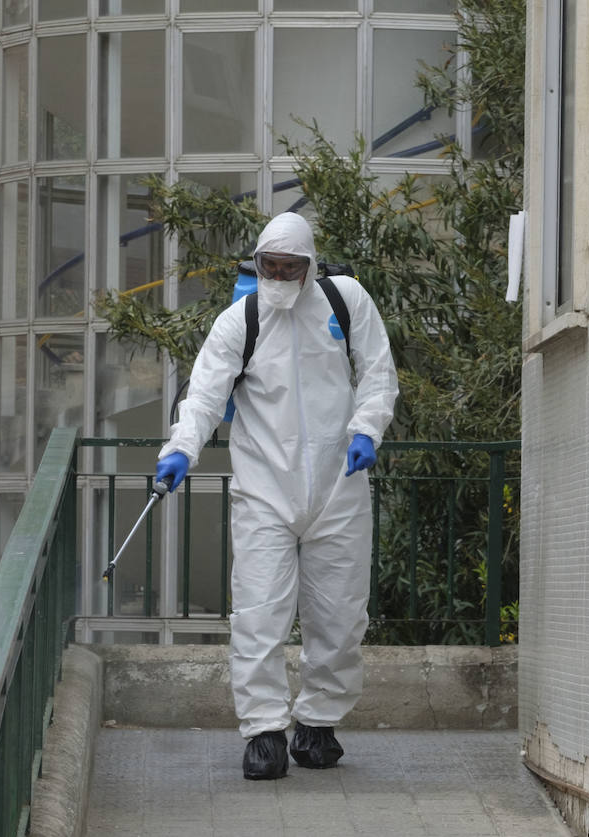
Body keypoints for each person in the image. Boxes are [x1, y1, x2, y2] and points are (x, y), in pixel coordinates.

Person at [156, 212, 398, 780]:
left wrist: (367, 428)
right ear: (258, 264)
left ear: (311, 266)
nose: (282, 277)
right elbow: (205, 396)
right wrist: (180, 450)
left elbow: (378, 371)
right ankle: (264, 731)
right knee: (259, 615)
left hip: (339, 485)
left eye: (292, 268)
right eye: (272, 267)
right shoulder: (241, 319)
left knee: (339, 614)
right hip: (264, 489)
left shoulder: (346, 301)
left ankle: (317, 724)